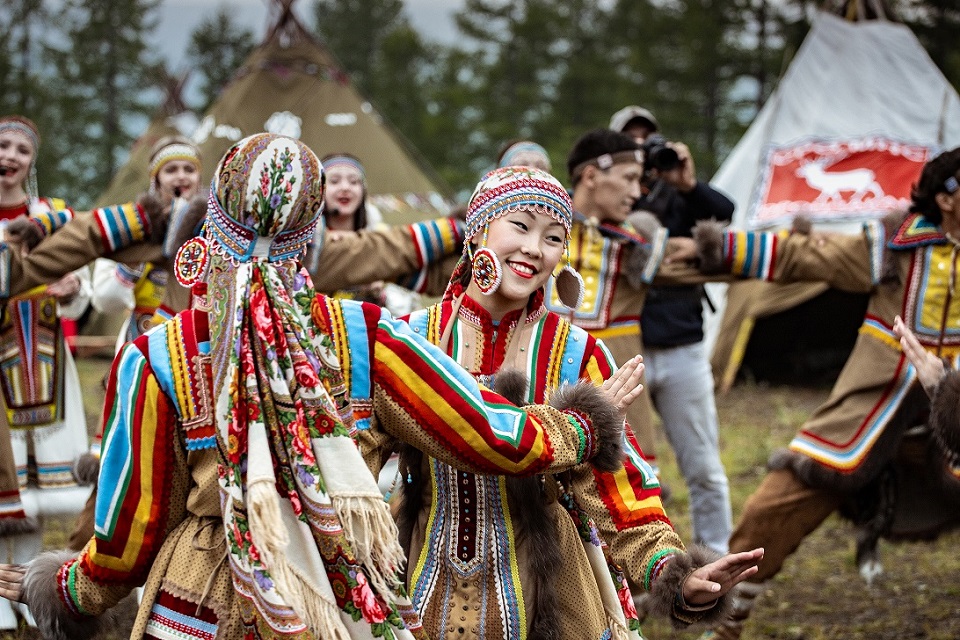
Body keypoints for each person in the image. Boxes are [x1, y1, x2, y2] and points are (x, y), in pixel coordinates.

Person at [0, 133, 640, 640]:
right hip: (328, 589)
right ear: (312, 241)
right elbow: (484, 431)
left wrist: (67, 591)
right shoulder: (364, 336)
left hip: (194, 597)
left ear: (211, 230)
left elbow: (131, 531)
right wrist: (583, 424)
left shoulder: (154, 355)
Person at [392, 165, 763, 638]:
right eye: (520, 226)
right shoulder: (408, 338)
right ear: (480, 228)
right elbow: (354, 455)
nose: (533, 249)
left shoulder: (577, 353)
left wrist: (675, 573)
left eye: (552, 238)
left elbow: (617, 485)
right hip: (418, 573)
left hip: (549, 588)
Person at [693, 147, 960, 639]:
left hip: (957, 416)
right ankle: (726, 619)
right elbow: (804, 255)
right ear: (947, 198)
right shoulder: (894, 246)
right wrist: (714, 249)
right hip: (871, 408)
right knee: (771, 510)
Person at [538, 128, 721, 487]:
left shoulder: (636, 246)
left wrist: (713, 245)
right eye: (629, 179)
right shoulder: (534, 235)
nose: (638, 192)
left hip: (616, 396)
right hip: (541, 391)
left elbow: (718, 232)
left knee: (627, 496)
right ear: (591, 176)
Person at [610, 105, 735, 554]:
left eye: (650, 140)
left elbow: (724, 213)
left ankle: (716, 557)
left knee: (703, 465)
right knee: (632, 471)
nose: (643, 149)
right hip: (628, 350)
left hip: (683, 343)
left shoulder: (679, 194)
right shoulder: (617, 199)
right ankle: (642, 567)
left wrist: (688, 183)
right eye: (631, 141)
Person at [0, 115, 93, 628]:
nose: (10, 156)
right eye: (3, 146)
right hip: (1, 369)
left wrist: (74, 289)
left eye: (21, 149)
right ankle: (0, 606)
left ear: (32, 162)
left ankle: (31, 599)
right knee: (4, 481)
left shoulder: (53, 218)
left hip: (49, 368)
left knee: (38, 495)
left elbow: (86, 282)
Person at [90, 136, 203, 349]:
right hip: (142, 341)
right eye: (171, 170)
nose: (181, 177)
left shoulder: (211, 227)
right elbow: (105, 301)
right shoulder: (131, 224)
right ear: (156, 179)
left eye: (189, 169)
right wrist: (134, 259)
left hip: (198, 341)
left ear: (199, 177)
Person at [309, 153, 422, 317]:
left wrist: (381, 289)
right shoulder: (308, 242)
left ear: (363, 190)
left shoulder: (381, 237)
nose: (345, 187)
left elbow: (406, 306)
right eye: (334, 181)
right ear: (320, 189)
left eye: (354, 181)